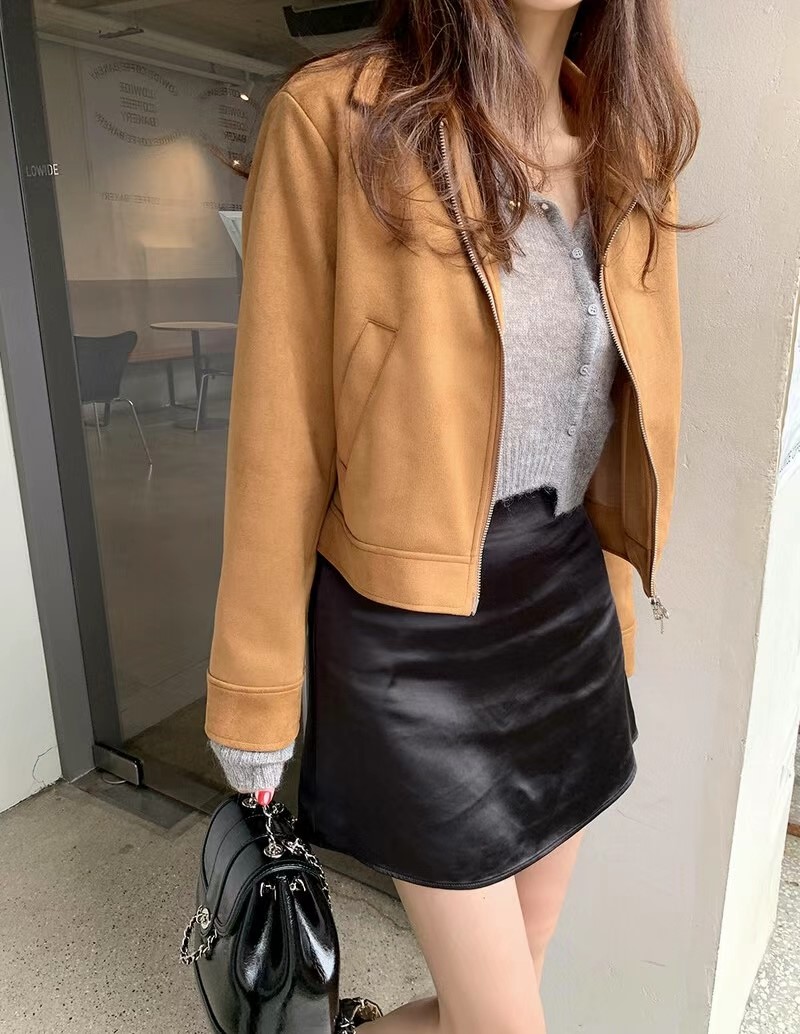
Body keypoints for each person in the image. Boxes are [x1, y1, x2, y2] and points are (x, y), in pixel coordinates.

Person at [204, 0, 698, 1030]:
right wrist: (253, 694)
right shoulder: (334, 121)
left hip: (566, 610)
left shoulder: (630, 147)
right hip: (411, 638)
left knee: (513, 982)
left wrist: (615, 611)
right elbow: (279, 433)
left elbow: (610, 426)